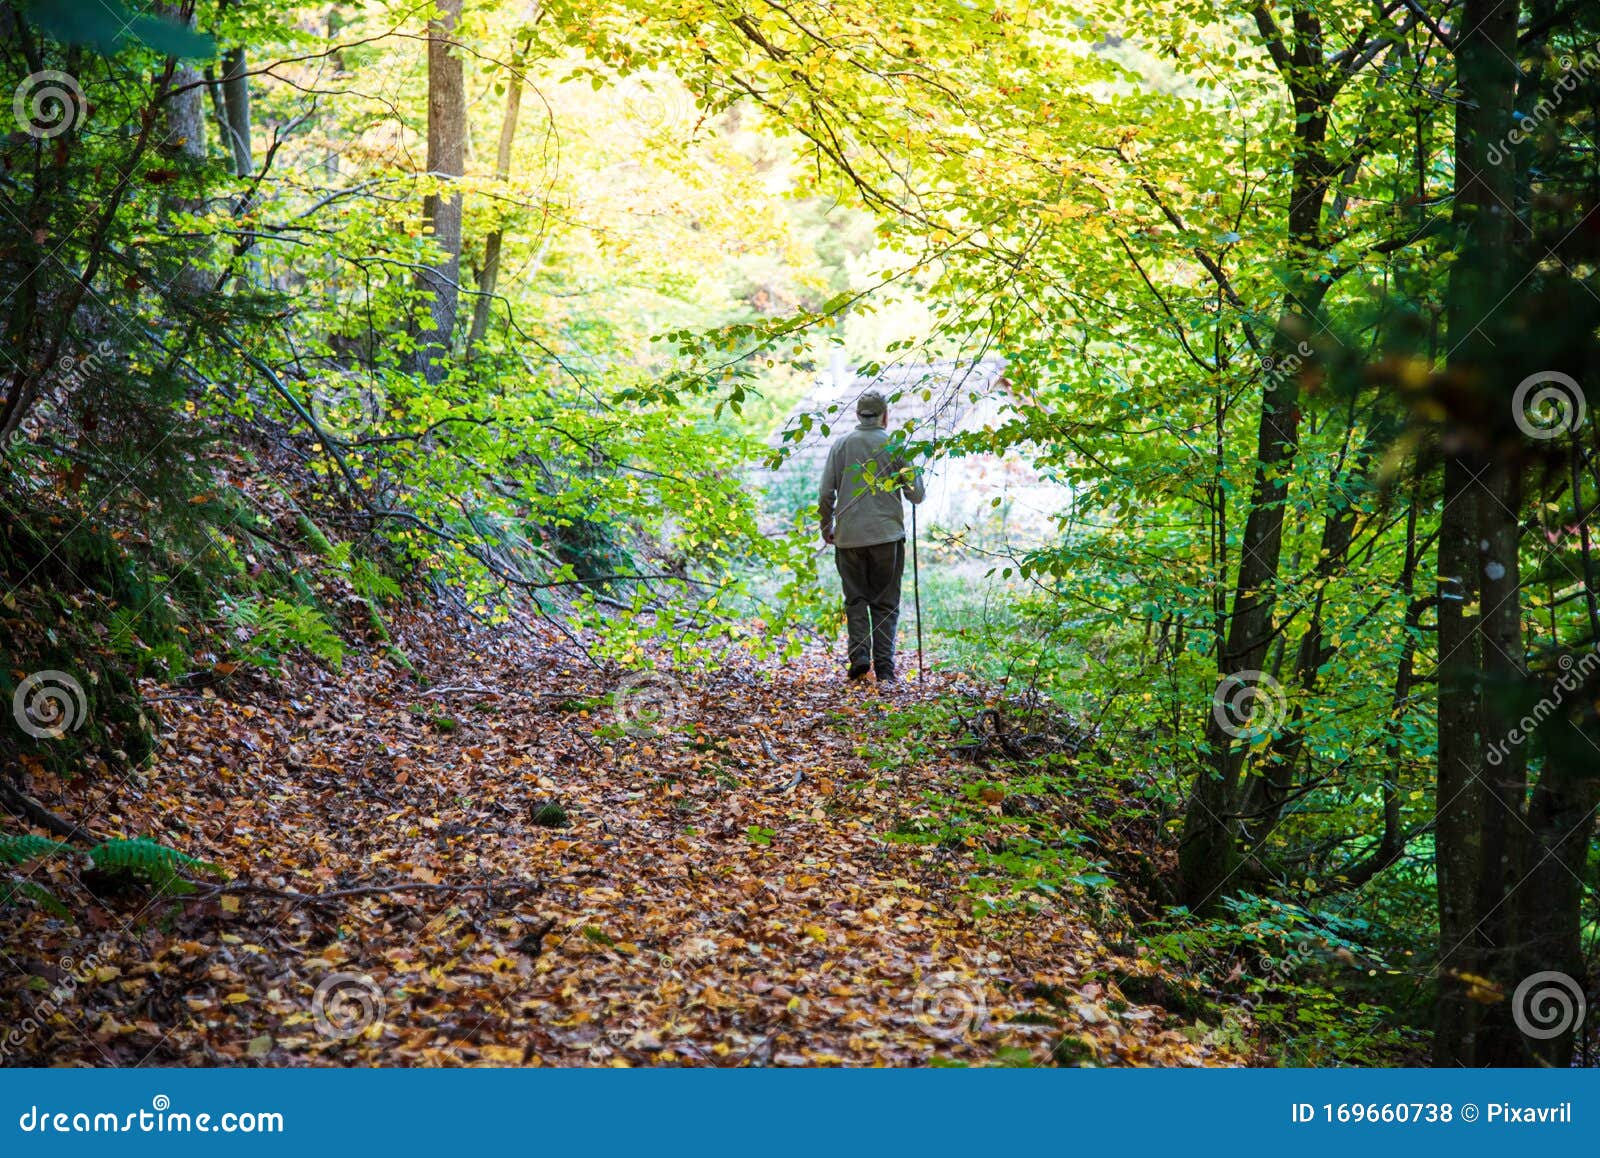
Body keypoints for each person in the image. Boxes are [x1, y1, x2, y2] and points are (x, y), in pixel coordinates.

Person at [817, 389, 925, 682]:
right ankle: (885, 668)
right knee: (885, 602)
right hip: (886, 538)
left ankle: (860, 656)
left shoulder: (841, 446)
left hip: (849, 539)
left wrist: (827, 526)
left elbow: (826, 492)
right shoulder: (896, 446)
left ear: (857, 415)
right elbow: (916, 496)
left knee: (856, 600)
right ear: (885, 415)